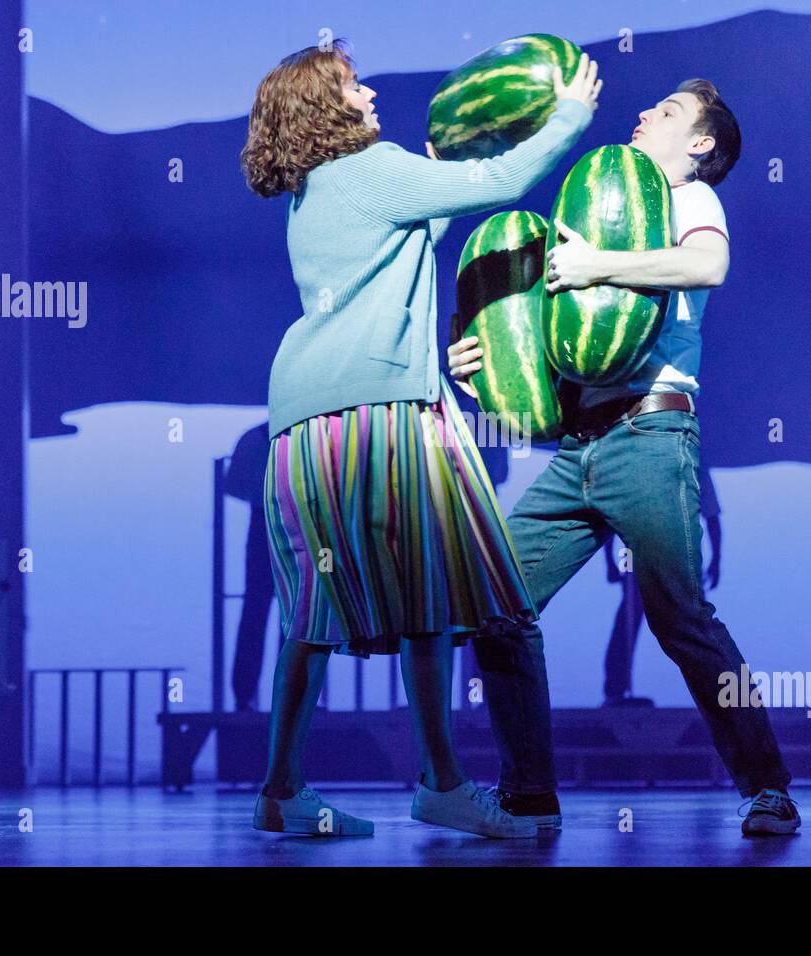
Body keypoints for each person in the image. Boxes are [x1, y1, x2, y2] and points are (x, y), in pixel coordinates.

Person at [239, 39, 600, 837]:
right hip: (384, 412)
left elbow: (426, 214)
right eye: (354, 85)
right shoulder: (372, 170)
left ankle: (280, 790)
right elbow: (498, 185)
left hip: (303, 422)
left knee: (311, 610)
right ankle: (440, 781)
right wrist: (569, 115)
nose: (370, 95)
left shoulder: (315, 192)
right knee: (431, 598)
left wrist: (450, 155)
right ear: (326, 105)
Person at [450, 78, 799, 836]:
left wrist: (599, 264)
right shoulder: (592, 218)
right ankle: (529, 794)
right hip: (581, 444)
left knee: (680, 618)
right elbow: (552, 361)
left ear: (700, 145)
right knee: (495, 604)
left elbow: (707, 269)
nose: (646, 114)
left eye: (669, 112)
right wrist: (483, 370)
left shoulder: (687, 199)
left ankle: (767, 786)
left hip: (651, 435)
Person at [602, 461, 721, 707]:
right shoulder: (638, 464)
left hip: (680, 563)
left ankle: (712, 689)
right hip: (644, 560)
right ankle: (616, 689)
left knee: (693, 627)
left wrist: (716, 560)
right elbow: (613, 514)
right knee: (628, 624)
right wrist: (610, 563)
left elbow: (711, 515)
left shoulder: (695, 465)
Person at [223, 422, 274, 711]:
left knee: (255, 608)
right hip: (304, 522)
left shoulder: (253, 438)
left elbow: (235, 487)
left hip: (262, 522)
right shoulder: (317, 432)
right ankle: (298, 695)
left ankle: (244, 693)